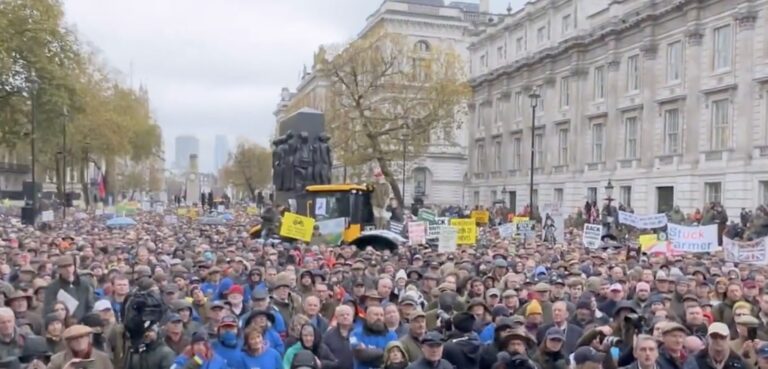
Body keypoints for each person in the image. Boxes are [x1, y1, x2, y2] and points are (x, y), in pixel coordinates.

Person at [44, 256, 95, 321]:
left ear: (74, 267)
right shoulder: (53, 287)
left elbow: (90, 304)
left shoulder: (84, 283)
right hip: (62, 322)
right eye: (64, 267)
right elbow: (48, 309)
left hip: (83, 321)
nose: (68, 269)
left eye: (70, 266)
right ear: (59, 270)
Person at [47, 325, 113, 369]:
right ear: (69, 342)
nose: (79, 341)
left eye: (82, 337)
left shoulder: (103, 358)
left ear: (88, 338)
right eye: (74, 338)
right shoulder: (57, 360)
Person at [324, 305, 355, 369]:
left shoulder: (359, 333)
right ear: (337, 318)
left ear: (352, 317)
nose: (345, 317)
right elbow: (324, 356)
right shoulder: (329, 335)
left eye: (348, 314)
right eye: (342, 315)